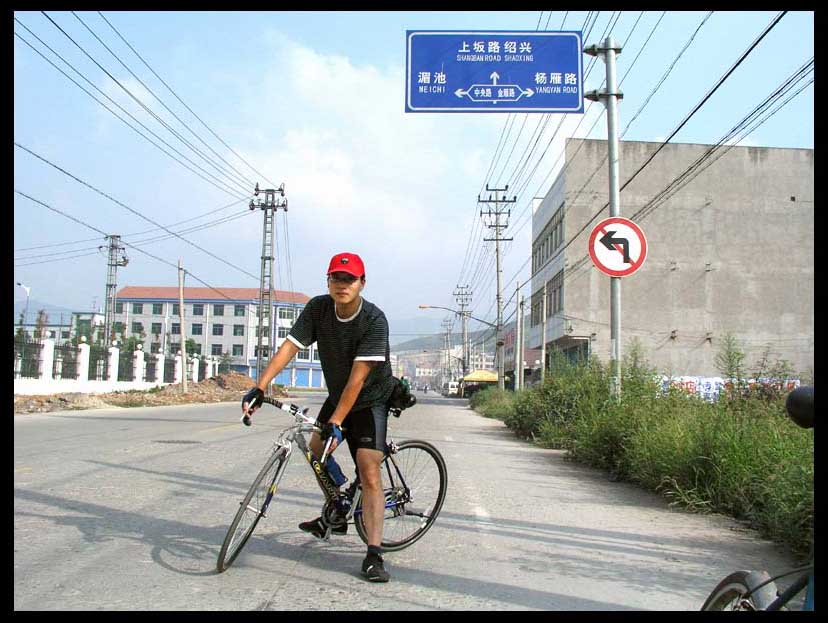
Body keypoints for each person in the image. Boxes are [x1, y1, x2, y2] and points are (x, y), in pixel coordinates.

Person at [241, 252, 397, 583]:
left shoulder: (374, 320)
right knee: (316, 448)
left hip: (371, 398)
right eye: (336, 279)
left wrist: (337, 422)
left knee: (369, 470)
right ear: (328, 281)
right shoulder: (318, 309)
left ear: (362, 283)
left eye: (349, 279)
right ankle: (338, 504)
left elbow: (359, 378)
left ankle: (374, 554)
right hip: (340, 395)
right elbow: (289, 347)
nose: (342, 285)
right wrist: (260, 386)